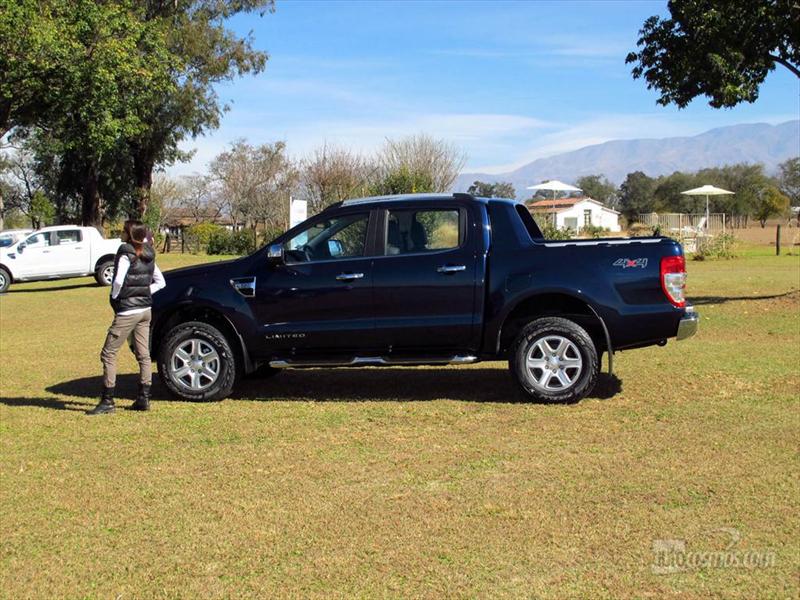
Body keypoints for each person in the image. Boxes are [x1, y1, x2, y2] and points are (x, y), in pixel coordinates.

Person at [88, 220, 166, 415]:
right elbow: (161, 282)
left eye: (123, 230)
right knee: (143, 355)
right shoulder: (149, 254)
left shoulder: (125, 253)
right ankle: (143, 398)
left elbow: (118, 281)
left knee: (108, 353)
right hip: (145, 310)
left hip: (127, 312)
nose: (121, 233)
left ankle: (107, 401)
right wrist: (144, 293)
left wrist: (117, 297)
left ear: (129, 234)